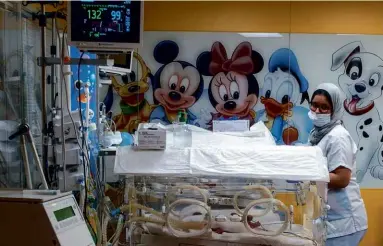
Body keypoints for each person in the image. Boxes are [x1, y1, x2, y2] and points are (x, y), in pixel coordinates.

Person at [308, 83, 368, 246]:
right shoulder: (317, 134)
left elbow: (342, 179)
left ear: (334, 110)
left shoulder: (338, 137)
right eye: (314, 105)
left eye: (324, 107)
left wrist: (307, 175)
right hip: (331, 218)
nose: (317, 111)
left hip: (344, 221)